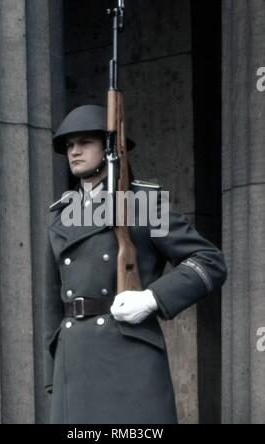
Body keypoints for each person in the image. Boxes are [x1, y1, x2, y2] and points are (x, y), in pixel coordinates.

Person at [43, 104, 227, 424]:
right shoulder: (59, 214)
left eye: (85, 142)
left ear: (110, 149)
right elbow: (50, 301)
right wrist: (52, 372)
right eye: (70, 145)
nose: (75, 151)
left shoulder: (142, 203)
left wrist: (152, 298)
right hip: (74, 360)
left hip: (128, 352)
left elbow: (208, 261)